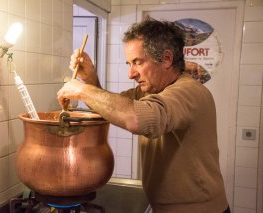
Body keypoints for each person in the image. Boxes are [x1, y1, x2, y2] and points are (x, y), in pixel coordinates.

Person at [57, 16, 229, 213]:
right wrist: (89, 78)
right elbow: (109, 109)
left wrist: (82, 91)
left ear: (166, 59)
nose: (131, 74)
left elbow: (136, 118)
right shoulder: (150, 91)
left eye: (137, 62)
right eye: (129, 64)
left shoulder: (189, 92)